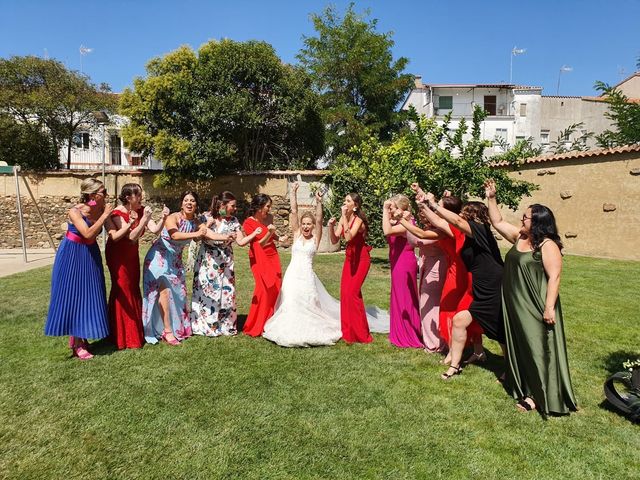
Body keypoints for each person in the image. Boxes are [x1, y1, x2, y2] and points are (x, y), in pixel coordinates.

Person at [485, 179, 577, 415]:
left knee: (538, 347)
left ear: (537, 222)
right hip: (516, 303)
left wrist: (548, 308)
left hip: (536, 304)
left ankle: (539, 396)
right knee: (520, 344)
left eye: (525, 217)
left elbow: (554, 277)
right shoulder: (520, 238)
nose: (521, 220)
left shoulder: (547, 245)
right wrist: (492, 198)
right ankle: (524, 385)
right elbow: (497, 221)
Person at [418, 189, 505, 380]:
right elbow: (440, 222)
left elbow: (455, 220)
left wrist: (433, 204)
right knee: (459, 321)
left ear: (473, 216)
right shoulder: (465, 234)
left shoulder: (481, 231)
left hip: (492, 285)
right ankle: (455, 366)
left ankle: (512, 367)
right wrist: (424, 204)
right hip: (478, 285)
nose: (461, 216)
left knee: (501, 330)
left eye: (465, 213)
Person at [398, 186, 483, 374]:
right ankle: (475, 350)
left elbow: (421, 234)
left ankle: (453, 351)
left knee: (449, 310)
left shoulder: (448, 229)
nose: (438, 209)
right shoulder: (445, 226)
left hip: (457, 271)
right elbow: (433, 215)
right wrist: (422, 196)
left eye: (441, 207)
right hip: (454, 268)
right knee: (460, 309)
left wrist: (402, 220)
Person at [263, 183, 343, 347]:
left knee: (309, 302)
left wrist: (319, 202)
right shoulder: (297, 233)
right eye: (304, 223)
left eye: (309, 224)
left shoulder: (315, 238)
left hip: (307, 276)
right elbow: (294, 212)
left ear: (313, 226)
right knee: (291, 300)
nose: (306, 226)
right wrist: (293, 193)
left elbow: (320, 220)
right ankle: (288, 329)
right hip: (292, 275)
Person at [44, 178, 113, 360]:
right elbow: (89, 235)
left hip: (90, 254)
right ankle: (77, 343)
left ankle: (82, 335)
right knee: (73, 294)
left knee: (90, 293)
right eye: (103, 192)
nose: (106, 195)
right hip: (72, 254)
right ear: (92, 195)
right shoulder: (75, 211)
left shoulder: (99, 210)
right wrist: (105, 216)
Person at [106, 183, 169, 350]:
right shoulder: (117, 213)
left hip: (131, 255)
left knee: (133, 288)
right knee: (122, 289)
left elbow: (155, 229)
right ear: (128, 197)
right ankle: (120, 335)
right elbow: (131, 236)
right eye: (138, 195)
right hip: (118, 255)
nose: (142, 198)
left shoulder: (141, 211)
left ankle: (135, 332)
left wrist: (162, 217)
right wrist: (143, 220)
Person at [191, 191, 261, 337]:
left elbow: (241, 242)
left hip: (226, 261)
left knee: (226, 293)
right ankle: (207, 326)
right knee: (209, 292)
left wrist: (254, 234)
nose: (235, 209)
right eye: (232, 206)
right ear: (222, 205)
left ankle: (226, 326)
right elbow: (197, 238)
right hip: (208, 260)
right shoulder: (205, 217)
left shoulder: (234, 220)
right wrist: (208, 224)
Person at [142, 191, 208, 345]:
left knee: (179, 295)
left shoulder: (196, 222)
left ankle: (176, 328)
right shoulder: (173, 217)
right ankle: (167, 331)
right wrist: (197, 233)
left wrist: (223, 235)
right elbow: (175, 235)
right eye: (186, 200)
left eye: (192, 200)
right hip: (159, 258)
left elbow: (205, 233)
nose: (189, 203)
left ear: (196, 204)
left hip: (175, 261)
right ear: (181, 204)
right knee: (164, 293)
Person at [328, 193, 374, 343]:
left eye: (348, 201)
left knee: (353, 293)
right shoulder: (343, 218)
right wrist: (331, 226)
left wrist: (344, 216)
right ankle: (348, 331)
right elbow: (335, 240)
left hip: (361, 260)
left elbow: (348, 237)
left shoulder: (358, 220)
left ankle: (361, 333)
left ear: (355, 206)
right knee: (345, 294)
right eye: (345, 199)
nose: (344, 202)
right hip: (349, 260)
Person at [382, 195, 423, 348]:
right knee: (398, 297)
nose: (390, 209)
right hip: (397, 262)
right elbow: (389, 226)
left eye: (392, 207)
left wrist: (384, 210)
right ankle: (398, 331)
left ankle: (408, 333)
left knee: (405, 298)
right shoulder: (399, 221)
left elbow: (387, 231)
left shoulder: (407, 223)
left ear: (401, 208)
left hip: (404, 263)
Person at [242, 194, 285, 337]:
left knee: (276, 287)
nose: (269, 209)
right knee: (263, 289)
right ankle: (256, 324)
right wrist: (270, 233)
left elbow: (273, 237)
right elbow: (257, 245)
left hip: (273, 256)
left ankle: (271, 321)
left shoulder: (269, 218)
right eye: (267, 206)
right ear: (259, 207)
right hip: (259, 258)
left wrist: (279, 238)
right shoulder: (248, 223)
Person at [406, 213, 447, 353]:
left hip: (436, 266)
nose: (421, 216)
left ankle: (434, 343)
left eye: (424, 214)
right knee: (428, 303)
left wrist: (407, 222)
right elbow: (414, 241)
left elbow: (418, 242)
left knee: (430, 304)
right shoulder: (429, 228)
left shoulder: (439, 230)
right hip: (428, 264)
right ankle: (434, 340)